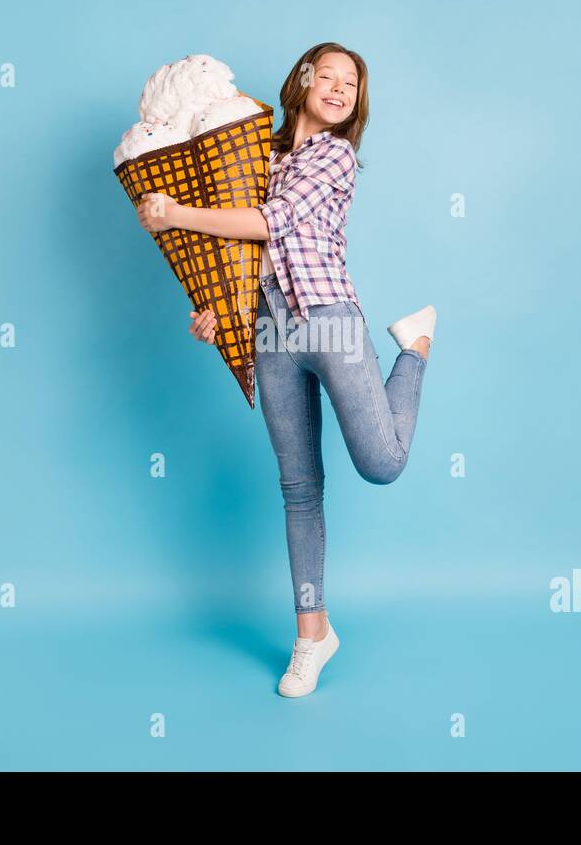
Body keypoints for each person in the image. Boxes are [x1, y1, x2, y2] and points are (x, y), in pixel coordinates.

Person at [135, 42, 436, 697]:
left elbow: (272, 223)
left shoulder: (334, 156)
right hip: (270, 328)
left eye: (350, 83)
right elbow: (232, 260)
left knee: (381, 464)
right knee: (299, 487)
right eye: (325, 75)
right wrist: (216, 313)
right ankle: (312, 636)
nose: (337, 88)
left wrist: (175, 212)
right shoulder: (253, 158)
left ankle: (414, 346)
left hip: (328, 319)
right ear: (299, 82)